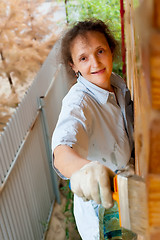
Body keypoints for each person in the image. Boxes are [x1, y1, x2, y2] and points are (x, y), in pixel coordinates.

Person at [52, 19, 134, 240]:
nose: (95, 63)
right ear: (73, 66)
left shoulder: (117, 84)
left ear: (111, 50)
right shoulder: (78, 102)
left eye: (100, 51)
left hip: (130, 191)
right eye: (83, 58)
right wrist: (83, 170)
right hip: (104, 214)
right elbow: (63, 148)